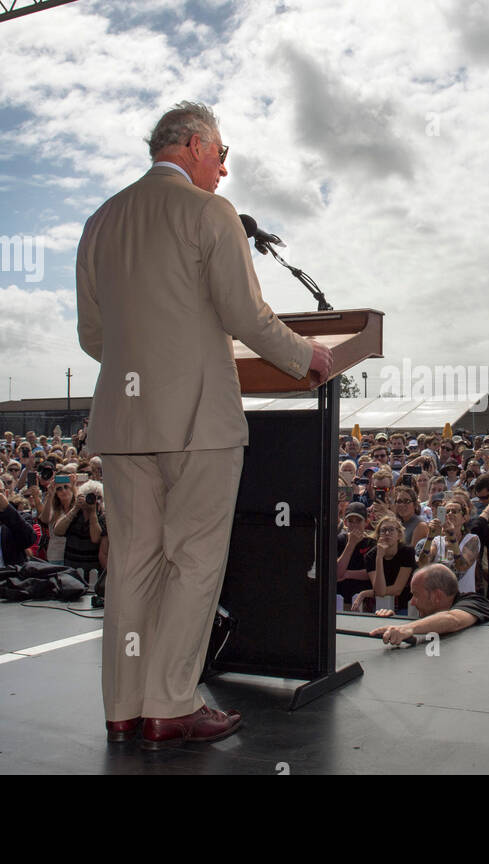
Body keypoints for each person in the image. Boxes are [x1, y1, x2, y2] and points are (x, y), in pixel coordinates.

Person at [77, 100, 334, 748]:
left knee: (133, 561)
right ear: (193, 145)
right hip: (198, 421)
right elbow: (246, 317)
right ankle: (169, 703)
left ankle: (124, 705)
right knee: (193, 560)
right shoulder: (208, 211)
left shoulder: (101, 221)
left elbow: (92, 337)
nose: (223, 168)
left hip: (123, 423)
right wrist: (310, 358)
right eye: (221, 154)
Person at [369, 564, 489, 644]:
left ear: (437, 596)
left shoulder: (473, 602)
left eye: (416, 595)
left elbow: (453, 620)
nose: (412, 602)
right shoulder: (438, 616)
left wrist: (407, 628)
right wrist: (394, 621)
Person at [354, 514, 416, 615]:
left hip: (405, 605)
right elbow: (379, 591)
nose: (387, 533)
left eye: (391, 530)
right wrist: (379, 558)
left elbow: (397, 589)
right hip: (380, 605)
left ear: (399, 535)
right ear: (378, 536)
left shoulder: (407, 552)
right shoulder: (371, 555)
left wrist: (366, 593)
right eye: (383, 530)